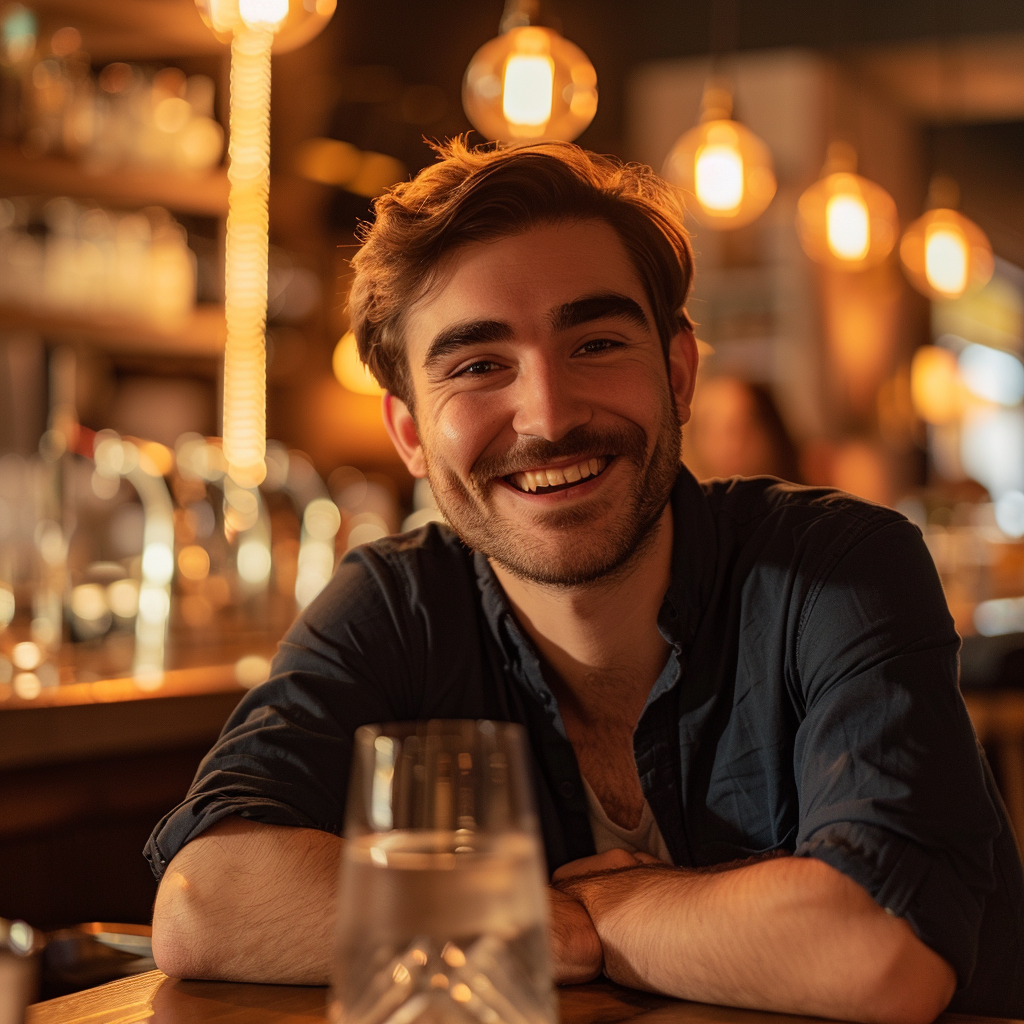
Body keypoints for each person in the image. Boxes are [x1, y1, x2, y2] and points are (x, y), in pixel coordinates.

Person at [147, 140, 1024, 1021]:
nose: (551, 416)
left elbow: (877, 951)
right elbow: (203, 900)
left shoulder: (837, 566)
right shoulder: (398, 604)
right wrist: (548, 922)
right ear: (411, 434)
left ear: (678, 373)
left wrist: (618, 906)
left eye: (597, 342)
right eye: (478, 366)